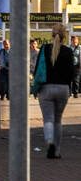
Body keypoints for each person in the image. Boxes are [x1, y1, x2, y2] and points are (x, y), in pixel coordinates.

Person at [33, 26, 74, 159]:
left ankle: (50, 142)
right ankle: (56, 151)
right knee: (58, 120)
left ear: (52, 35)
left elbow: (38, 68)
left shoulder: (45, 49)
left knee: (48, 119)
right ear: (64, 36)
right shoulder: (68, 51)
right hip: (63, 88)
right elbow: (71, 73)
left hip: (46, 88)